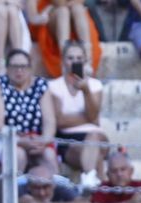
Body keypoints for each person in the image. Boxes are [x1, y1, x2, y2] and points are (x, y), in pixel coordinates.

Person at [46, 38, 108, 184]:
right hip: (68, 139)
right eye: (70, 58)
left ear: (85, 60)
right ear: (63, 60)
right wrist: (88, 118)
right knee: (95, 155)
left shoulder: (94, 85)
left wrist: (85, 90)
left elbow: (93, 116)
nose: (75, 61)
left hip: (94, 136)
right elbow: (59, 121)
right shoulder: (54, 85)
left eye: (79, 58)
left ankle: (88, 181)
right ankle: (92, 180)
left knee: (94, 137)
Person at [0, 46, 54, 169]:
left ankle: (54, 188)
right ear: (7, 68)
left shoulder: (41, 85)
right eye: (14, 66)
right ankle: (18, 188)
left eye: (23, 66)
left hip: (35, 139)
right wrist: (20, 141)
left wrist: (43, 141)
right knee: (18, 154)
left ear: (30, 69)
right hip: (5, 140)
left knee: (49, 155)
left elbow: (50, 121)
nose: (19, 71)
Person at [19, 160, 90, 203]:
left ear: (53, 185)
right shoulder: (20, 189)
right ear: (29, 186)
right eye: (36, 188)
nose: (42, 193)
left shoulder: (62, 187)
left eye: (46, 187)